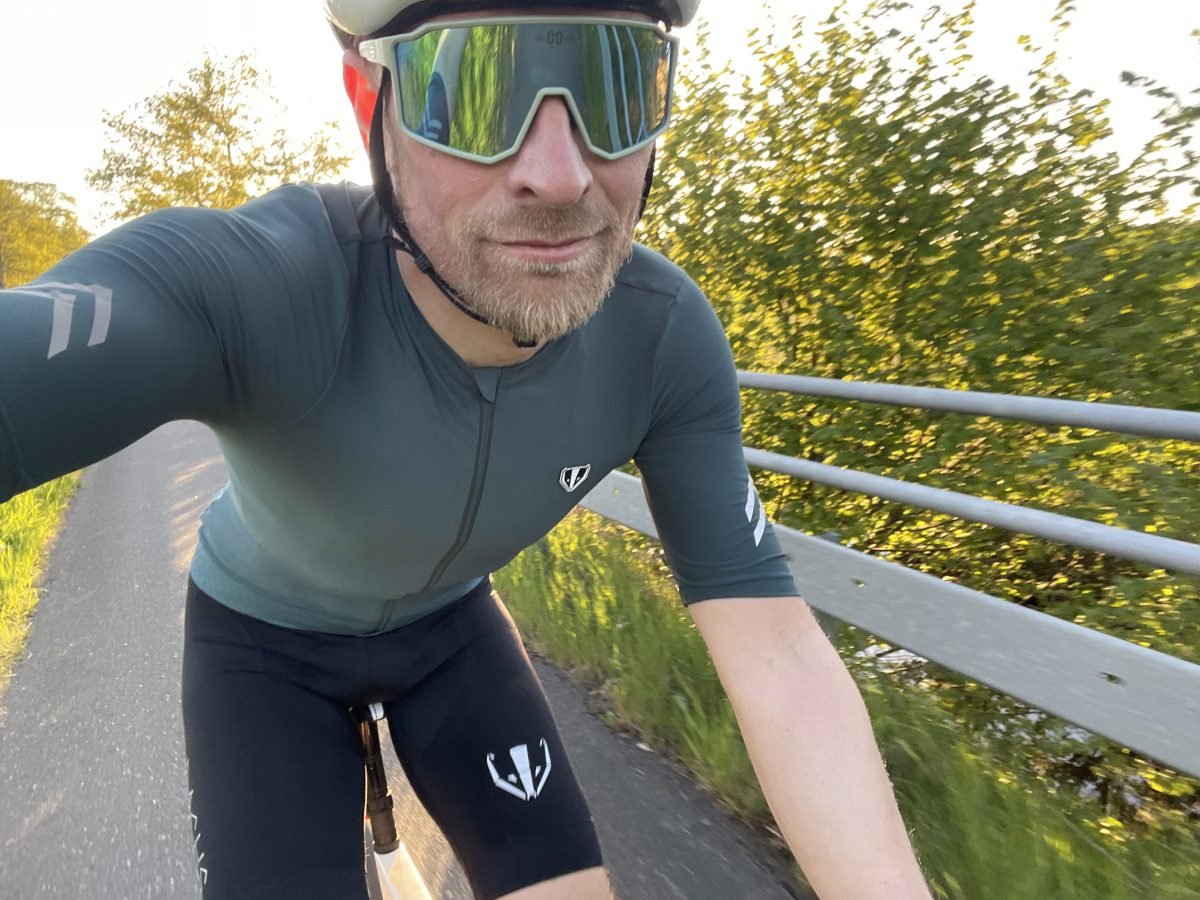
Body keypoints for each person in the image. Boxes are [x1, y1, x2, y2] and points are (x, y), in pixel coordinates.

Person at [0, 1, 934, 898]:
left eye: (615, 86)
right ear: (371, 105)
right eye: (478, 87)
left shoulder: (663, 340)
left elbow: (778, 654)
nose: (560, 176)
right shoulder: (266, 285)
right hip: (260, 646)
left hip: (449, 633)